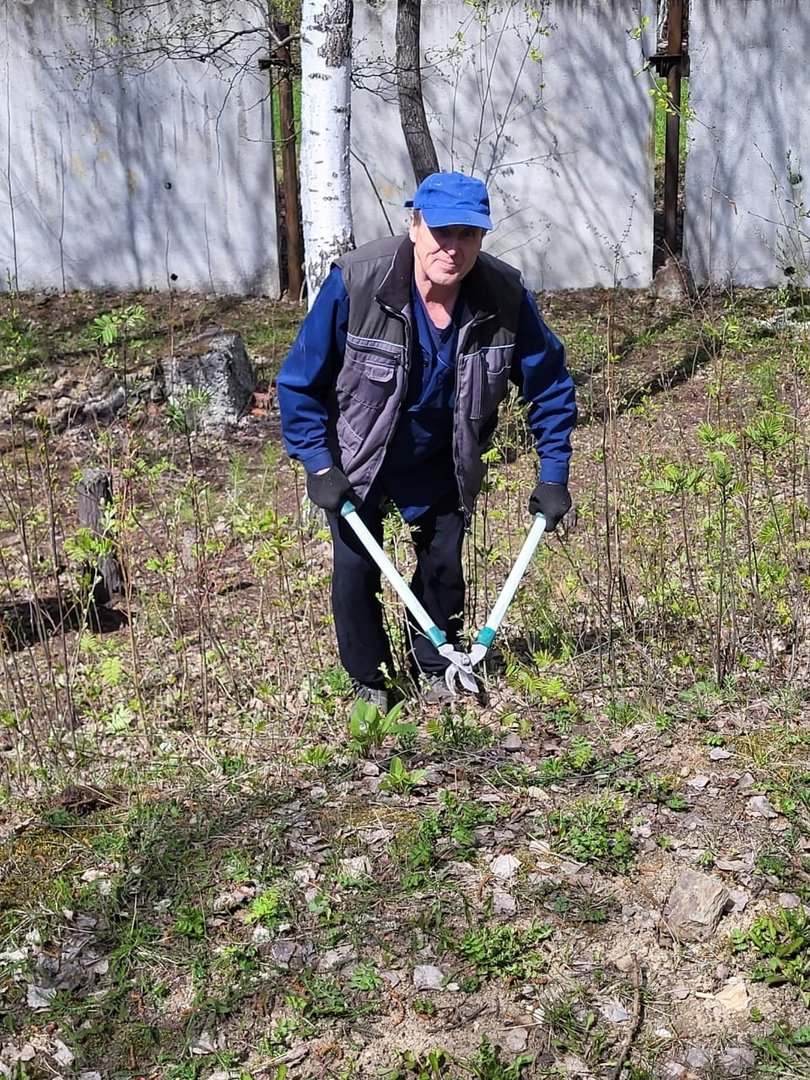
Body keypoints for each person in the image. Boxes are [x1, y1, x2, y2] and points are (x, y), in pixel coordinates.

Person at [277, 171, 576, 711]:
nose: (453, 248)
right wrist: (319, 464)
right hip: (357, 455)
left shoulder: (502, 297)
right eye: (442, 231)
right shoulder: (359, 282)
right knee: (355, 569)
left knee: (443, 562)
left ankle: (437, 663)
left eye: (468, 234)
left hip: (441, 455)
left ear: (482, 238)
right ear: (414, 224)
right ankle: (369, 680)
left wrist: (553, 474)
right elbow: (299, 381)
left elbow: (550, 384)